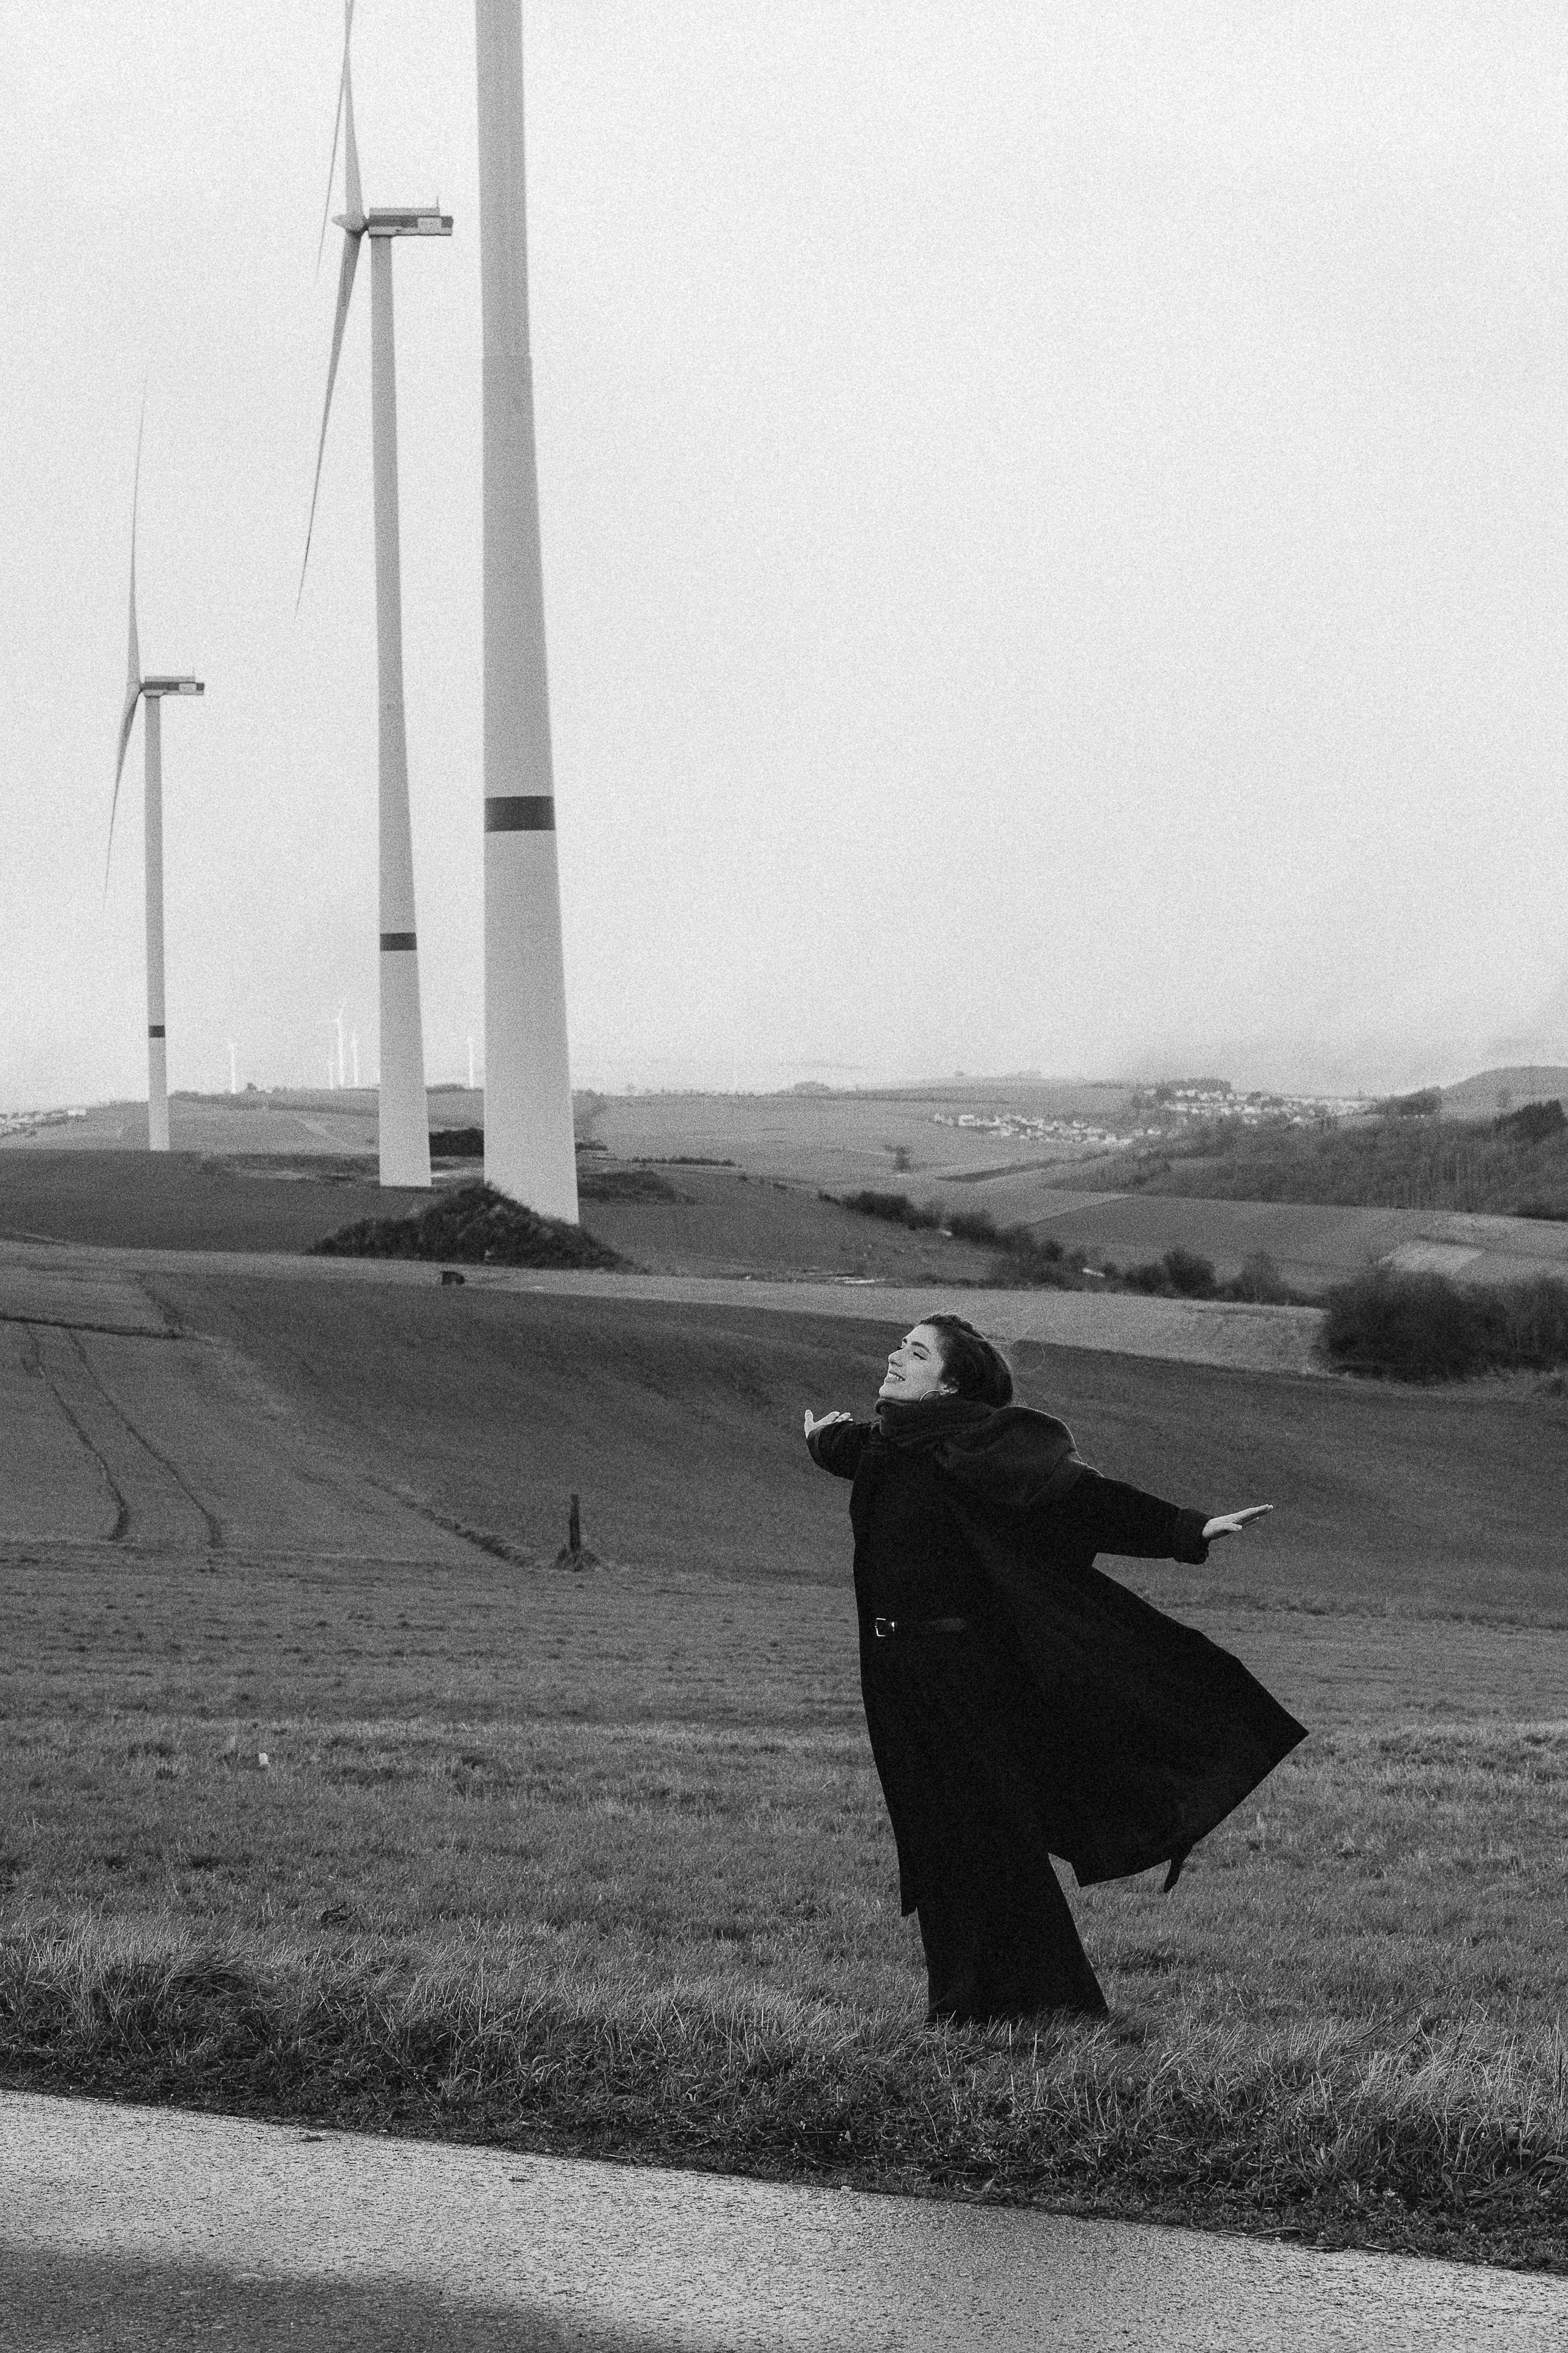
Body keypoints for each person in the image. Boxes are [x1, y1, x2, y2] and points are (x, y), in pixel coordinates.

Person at [804, 1313, 1305, 2025]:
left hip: (968, 1673)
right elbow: (851, 1449)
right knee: (935, 1836)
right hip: (898, 1674)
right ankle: (964, 2004)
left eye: (914, 1353)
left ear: (948, 1383)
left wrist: (1185, 1528)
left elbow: (1084, 1502)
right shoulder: (890, 1442)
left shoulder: (985, 1449)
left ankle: (1055, 2003)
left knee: (992, 1833)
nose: (894, 1357)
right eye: (900, 1346)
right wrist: (821, 1441)